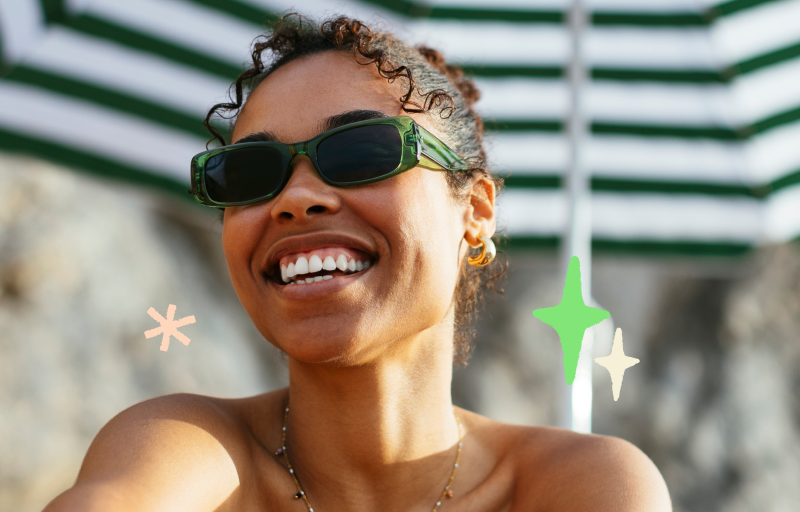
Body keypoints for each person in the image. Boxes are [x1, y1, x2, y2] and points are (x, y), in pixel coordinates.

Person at [44, 13, 671, 512]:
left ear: (476, 211)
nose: (294, 198)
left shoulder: (581, 486)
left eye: (364, 151)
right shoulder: (188, 449)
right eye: (251, 173)